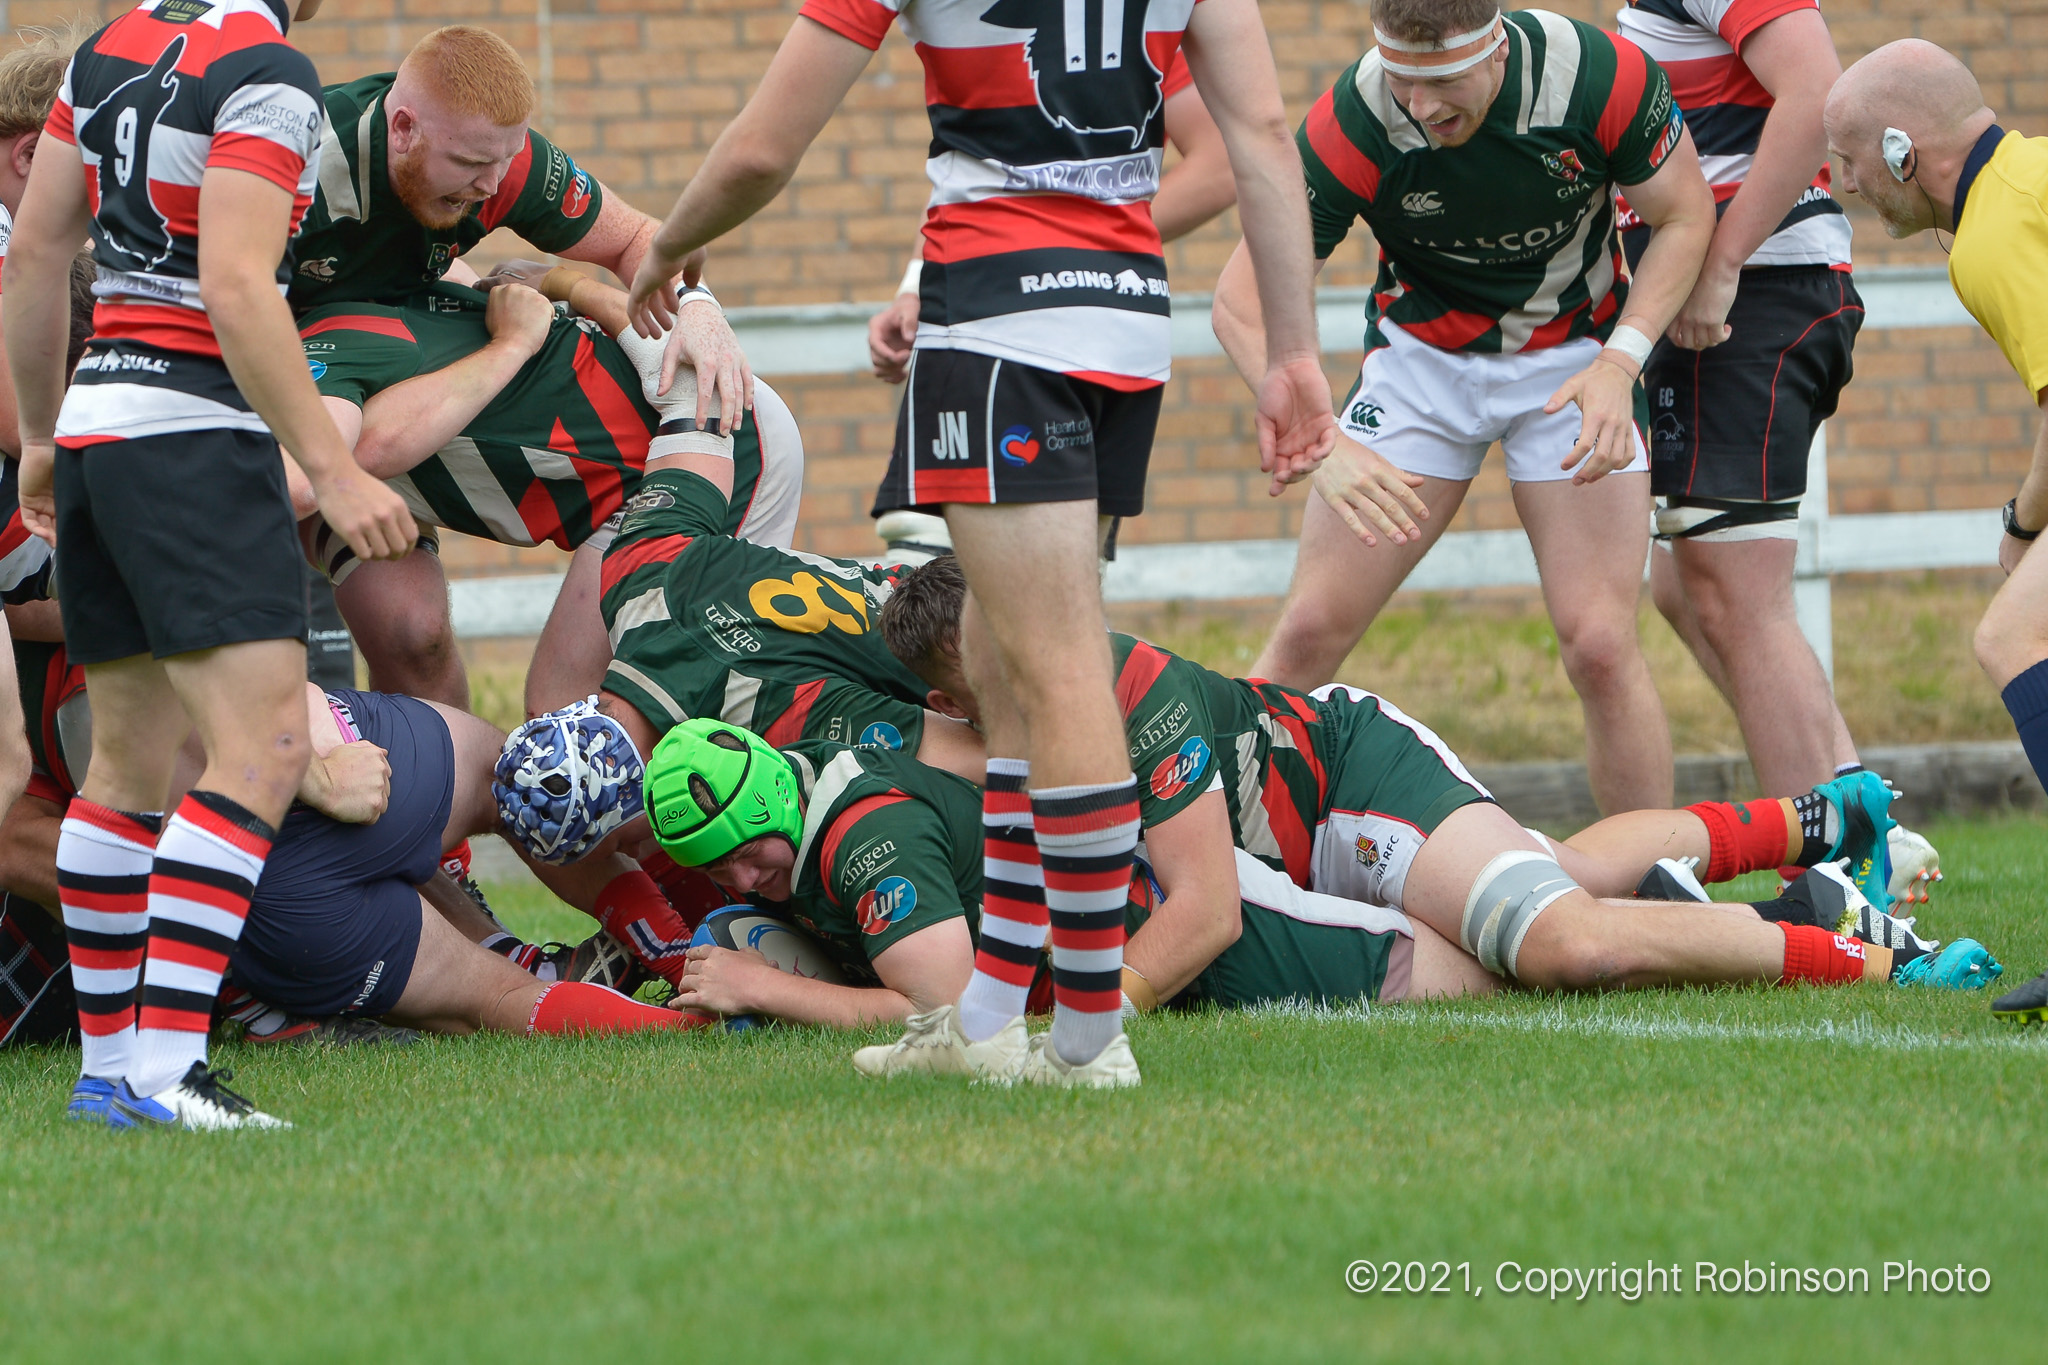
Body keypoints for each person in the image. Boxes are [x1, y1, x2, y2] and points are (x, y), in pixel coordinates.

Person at [626, 0, 1339, 1088]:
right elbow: (1258, 133)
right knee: (1002, 658)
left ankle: (1089, 1044)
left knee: (1051, 667)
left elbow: (765, 146)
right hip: (1120, 325)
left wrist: (666, 248)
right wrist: (1292, 348)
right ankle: (988, 1022)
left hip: (1000, 327)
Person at [5, 0, 418, 1130]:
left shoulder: (106, 49)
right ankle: (166, 1074)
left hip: (100, 428)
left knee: (129, 769)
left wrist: (44, 436)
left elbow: (37, 254)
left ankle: (108, 1074)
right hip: (191, 434)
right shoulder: (266, 66)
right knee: (268, 747)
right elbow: (237, 286)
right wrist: (333, 472)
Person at [627, 722, 1997, 1061]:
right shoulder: (872, 772)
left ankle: (1824, 928)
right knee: (1557, 884)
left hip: (1310, 815)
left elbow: (941, 1007)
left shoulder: (864, 838)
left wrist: (762, 983)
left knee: (1561, 944)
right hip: (1290, 820)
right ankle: (1813, 840)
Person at [1213, 0, 1717, 816]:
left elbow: (1686, 213)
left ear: (1495, 50)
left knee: (1598, 643)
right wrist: (1322, 443)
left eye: (1442, 81)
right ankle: (1208, 856)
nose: (1421, 107)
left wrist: (1623, 359)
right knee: (1309, 632)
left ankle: (1646, 892)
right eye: (1404, 82)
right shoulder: (1360, 113)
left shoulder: (1594, 75)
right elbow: (1239, 304)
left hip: (1575, 360)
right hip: (1423, 367)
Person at [296, 265, 800, 715]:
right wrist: (569, 287)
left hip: (714, 432)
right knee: (419, 640)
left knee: (570, 718)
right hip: (653, 446)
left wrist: (552, 305)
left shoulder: (335, 336)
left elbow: (342, 455)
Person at [1823, 41, 2048, 1024]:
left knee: (2011, 635)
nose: (1842, 183)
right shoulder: (2023, 178)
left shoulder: (1994, 236)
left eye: (1848, 159)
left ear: (1899, 147)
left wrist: (2020, 522)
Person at [1614, 0, 1867, 813]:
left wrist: (1721, 262)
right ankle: (1864, 826)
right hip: (1734, 299)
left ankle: (1840, 881)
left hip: (1751, 297)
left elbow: (1816, 89)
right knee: (1689, 589)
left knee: (1735, 590)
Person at [863, 49, 1238, 565]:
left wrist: (1080, 244)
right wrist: (914, 283)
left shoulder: (1140, 20)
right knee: (966, 580)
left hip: (1018, 322)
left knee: (1004, 584)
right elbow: (971, 172)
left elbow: (1221, 166)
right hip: (1061, 322)